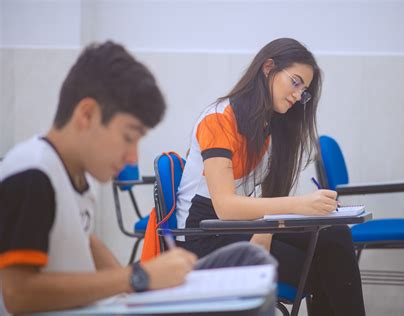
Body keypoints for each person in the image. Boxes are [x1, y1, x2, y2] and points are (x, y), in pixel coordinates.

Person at [0, 41, 275, 315]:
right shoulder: (33, 172)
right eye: (128, 137)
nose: (132, 157)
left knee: (247, 259)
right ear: (87, 114)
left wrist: (147, 286)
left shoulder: (73, 175)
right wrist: (137, 277)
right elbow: (18, 294)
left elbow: (87, 242)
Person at [175, 38, 365, 315]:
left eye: (305, 91)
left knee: (334, 236)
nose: (299, 95)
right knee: (320, 264)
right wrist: (299, 206)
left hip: (238, 226)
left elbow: (259, 200)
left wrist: (266, 228)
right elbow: (225, 206)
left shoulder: (268, 123)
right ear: (268, 67)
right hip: (202, 235)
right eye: (296, 82)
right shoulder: (217, 120)